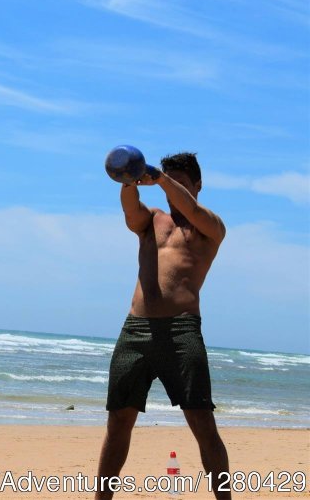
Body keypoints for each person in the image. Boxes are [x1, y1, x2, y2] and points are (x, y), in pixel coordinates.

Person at [94, 153, 230, 500]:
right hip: (135, 332)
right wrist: (128, 178)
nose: (170, 192)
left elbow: (195, 211)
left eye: (181, 183)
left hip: (182, 333)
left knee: (202, 423)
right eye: (167, 184)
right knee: (118, 423)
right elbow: (130, 210)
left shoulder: (209, 227)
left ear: (197, 185)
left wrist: (163, 179)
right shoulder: (152, 220)